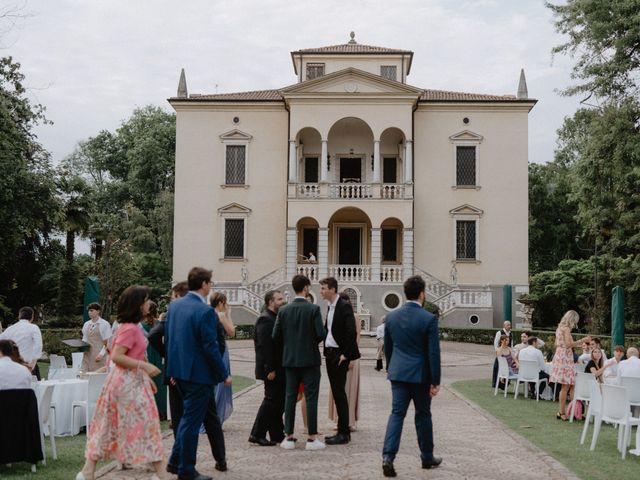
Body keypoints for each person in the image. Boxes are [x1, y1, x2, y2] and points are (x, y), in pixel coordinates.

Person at [75, 285, 164, 480]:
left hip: (133, 383)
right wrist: (145, 368)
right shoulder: (129, 328)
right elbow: (116, 356)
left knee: (116, 425)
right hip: (125, 385)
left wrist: (147, 377)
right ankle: (161, 474)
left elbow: (136, 353)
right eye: (147, 300)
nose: (150, 303)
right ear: (138, 304)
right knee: (143, 425)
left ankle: (88, 471)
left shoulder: (133, 327)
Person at [149, 282, 229, 476]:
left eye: (173, 296)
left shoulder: (171, 314)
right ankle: (219, 460)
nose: (172, 300)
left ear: (179, 295)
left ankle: (178, 462)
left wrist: (170, 358)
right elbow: (219, 344)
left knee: (181, 420)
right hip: (199, 375)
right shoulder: (203, 312)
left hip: (177, 374)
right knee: (209, 419)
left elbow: (153, 336)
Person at [381, 275, 441, 477]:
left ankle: (388, 457)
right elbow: (433, 352)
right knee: (423, 415)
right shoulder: (429, 319)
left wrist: (392, 368)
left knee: (396, 414)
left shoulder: (391, 317)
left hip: (398, 373)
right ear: (422, 294)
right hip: (421, 375)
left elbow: (388, 349)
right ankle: (426, 457)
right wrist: (436, 381)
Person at [272, 274, 326, 451]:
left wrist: (290, 345)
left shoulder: (283, 310)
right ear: (305, 288)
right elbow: (321, 333)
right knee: (311, 397)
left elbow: (275, 335)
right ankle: (311, 438)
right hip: (310, 359)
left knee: (290, 396)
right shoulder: (313, 309)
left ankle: (288, 437)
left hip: (289, 359)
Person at [319, 277, 360, 445]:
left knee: (340, 394)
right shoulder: (330, 306)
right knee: (337, 393)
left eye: (323, 288)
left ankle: (343, 433)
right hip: (330, 353)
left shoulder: (344, 306)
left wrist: (346, 354)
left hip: (339, 355)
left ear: (332, 289)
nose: (320, 291)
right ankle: (342, 431)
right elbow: (329, 331)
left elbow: (351, 331)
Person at [249, 290, 286, 446]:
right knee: (271, 400)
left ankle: (277, 434)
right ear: (270, 302)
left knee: (278, 401)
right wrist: (270, 369)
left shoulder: (274, 317)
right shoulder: (265, 319)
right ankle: (257, 434)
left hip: (277, 367)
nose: (282, 301)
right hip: (270, 368)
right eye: (279, 299)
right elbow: (265, 347)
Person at [328, 291, 361, 434]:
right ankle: (339, 420)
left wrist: (351, 357)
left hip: (350, 356)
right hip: (338, 356)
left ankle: (350, 421)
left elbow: (355, 337)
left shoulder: (355, 317)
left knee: (349, 390)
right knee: (339, 389)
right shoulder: (332, 314)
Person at [549, 310, 590, 421]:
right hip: (565, 357)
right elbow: (568, 344)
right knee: (566, 385)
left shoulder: (559, 328)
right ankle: (562, 412)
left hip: (560, 355)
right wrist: (583, 340)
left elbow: (558, 343)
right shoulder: (566, 329)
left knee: (568, 385)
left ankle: (567, 411)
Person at [210, 292, 235, 424]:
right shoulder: (220, 315)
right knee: (220, 384)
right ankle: (215, 418)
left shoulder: (209, 314)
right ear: (220, 303)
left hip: (215, 349)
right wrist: (228, 314)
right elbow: (232, 332)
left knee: (215, 385)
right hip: (221, 350)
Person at [0, 306, 43, 379]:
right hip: (27, 364)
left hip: (12, 364)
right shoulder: (33, 327)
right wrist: (33, 364)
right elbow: (38, 345)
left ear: (19, 316)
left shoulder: (10, 329)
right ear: (32, 317)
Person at [142, 301, 167, 419]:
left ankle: (150, 410)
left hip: (147, 352)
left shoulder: (140, 324)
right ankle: (162, 411)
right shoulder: (159, 323)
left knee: (148, 382)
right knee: (160, 383)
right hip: (158, 352)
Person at [80, 303, 111, 373]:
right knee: (84, 374)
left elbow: (108, 342)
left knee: (97, 376)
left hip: (99, 354)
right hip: (88, 353)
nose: (89, 313)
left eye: (91, 310)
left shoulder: (104, 324)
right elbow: (84, 339)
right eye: (88, 311)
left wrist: (101, 354)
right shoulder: (86, 324)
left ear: (98, 311)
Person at [491, 321, 512, 388]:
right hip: (500, 353)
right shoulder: (499, 333)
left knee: (507, 368)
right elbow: (496, 343)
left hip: (508, 353)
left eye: (510, 325)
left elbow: (511, 344)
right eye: (508, 325)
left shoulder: (511, 334)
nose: (509, 326)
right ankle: (495, 383)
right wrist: (498, 352)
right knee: (497, 368)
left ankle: (503, 384)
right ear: (504, 325)